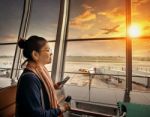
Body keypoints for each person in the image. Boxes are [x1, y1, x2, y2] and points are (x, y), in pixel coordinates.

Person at [15, 36, 70, 117]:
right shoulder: (29, 79)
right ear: (35, 54)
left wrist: (53, 86)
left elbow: (40, 90)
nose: (51, 53)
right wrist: (61, 109)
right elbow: (37, 115)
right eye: (47, 50)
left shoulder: (40, 72)